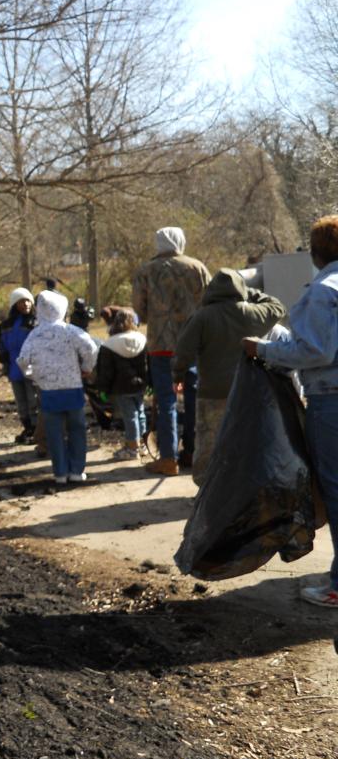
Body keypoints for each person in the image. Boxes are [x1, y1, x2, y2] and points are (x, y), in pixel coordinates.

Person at [243, 215, 338, 609]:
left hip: (331, 401)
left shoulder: (323, 291)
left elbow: (315, 351)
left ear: (315, 253)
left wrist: (262, 349)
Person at [176, 269, 285, 487]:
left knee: (209, 443)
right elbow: (278, 307)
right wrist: (250, 293)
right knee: (246, 441)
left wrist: (177, 375)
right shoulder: (253, 313)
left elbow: (183, 351)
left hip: (212, 392)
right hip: (248, 391)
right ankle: (246, 490)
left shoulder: (202, 317)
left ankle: (207, 490)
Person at [131, 226, 210, 476]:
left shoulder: (145, 271)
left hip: (161, 346)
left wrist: (152, 317)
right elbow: (210, 303)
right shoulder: (197, 267)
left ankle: (168, 458)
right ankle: (193, 452)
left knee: (166, 401)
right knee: (195, 399)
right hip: (193, 344)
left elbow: (139, 308)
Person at [17, 290, 99, 485]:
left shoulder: (34, 335)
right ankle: (77, 470)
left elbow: (22, 360)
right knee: (77, 430)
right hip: (72, 387)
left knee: (54, 434)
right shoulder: (70, 331)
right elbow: (91, 348)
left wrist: (33, 376)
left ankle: (60, 473)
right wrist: (87, 368)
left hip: (48, 390)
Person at [94, 306, 148, 460]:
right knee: (141, 414)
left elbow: (105, 371)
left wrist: (102, 390)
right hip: (140, 385)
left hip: (121, 387)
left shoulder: (109, 344)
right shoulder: (143, 340)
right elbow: (147, 365)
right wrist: (150, 384)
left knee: (130, 416)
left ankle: (132, 448)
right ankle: (143, 445)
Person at [0, 287, 38, 443]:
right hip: (14, 369)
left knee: (33, 400)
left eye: (28, 301)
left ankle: (36, 429)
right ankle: (27, 427)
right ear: (15, 304)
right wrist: (4, 361)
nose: (26, 304)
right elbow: (0, 345)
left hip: (32, 369)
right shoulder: (5, 326)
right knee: (21, 402)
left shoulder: (36, 323)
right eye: (21, 301)